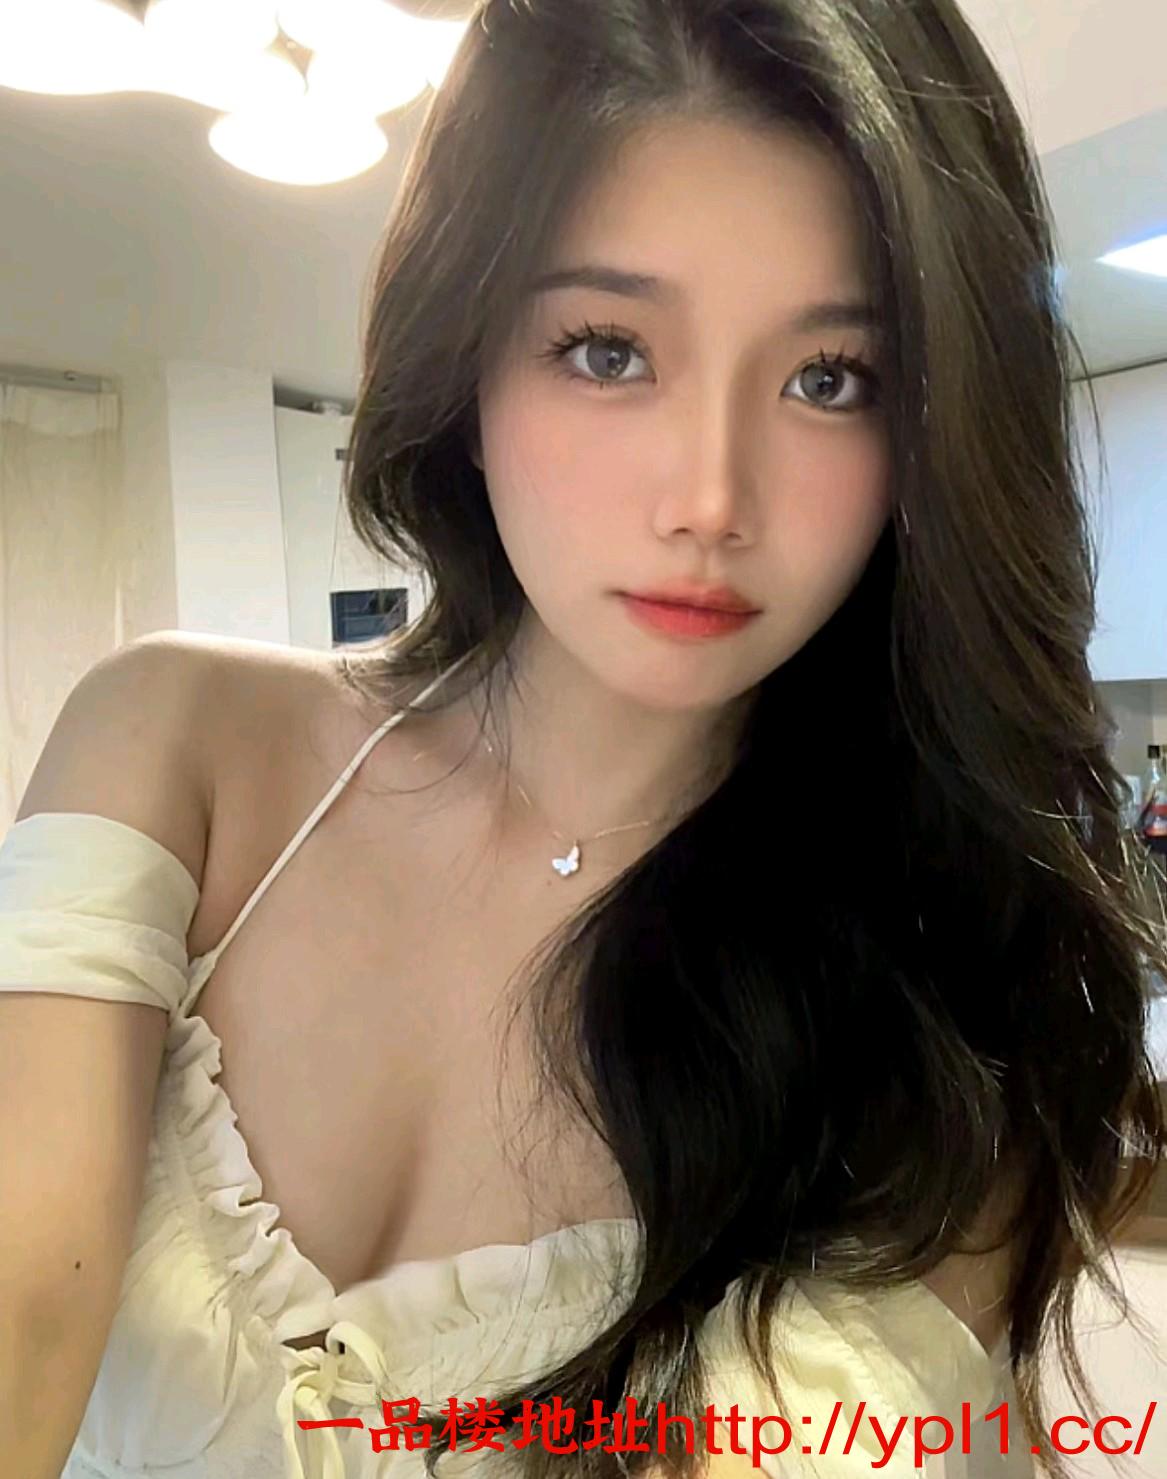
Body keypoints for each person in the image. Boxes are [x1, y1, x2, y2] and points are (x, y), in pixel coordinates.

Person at [1, 1, 1164, 1476]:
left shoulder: (943, 1009)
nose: (709, 499)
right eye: (609, 350)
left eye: (830, 379)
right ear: (470, 364)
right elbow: (25, 1304)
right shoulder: (187, 746)